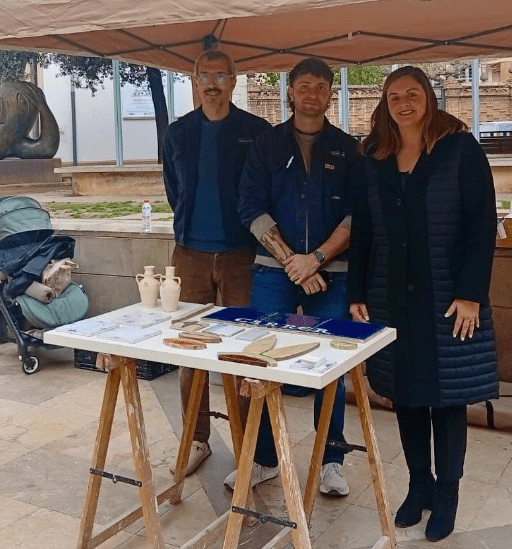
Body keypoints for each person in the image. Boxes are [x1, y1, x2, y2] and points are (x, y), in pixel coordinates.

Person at [347, 65, 499, 542]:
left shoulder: (460, 148)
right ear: (384, 105)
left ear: (429, 98)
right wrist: (355, 293)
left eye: (413, 94)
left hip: (450, 300)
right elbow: (364, 229)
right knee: (406, 397)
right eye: (395, 96)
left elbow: (481, 224)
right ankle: (420, 487)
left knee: (448, 400)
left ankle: (448, 495)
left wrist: (471, 293)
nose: (404, 103)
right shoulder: (373, 157)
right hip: (390, 297)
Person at [237, 57, 359, 496]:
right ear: (290, 92)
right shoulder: (266, 145)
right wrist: (293, 260)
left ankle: (332, 461)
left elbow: (356, 215)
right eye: (304, 85)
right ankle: (264, 459)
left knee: (332, 368)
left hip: (334, 274)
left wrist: (318, 259)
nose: (312, 93)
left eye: (321, 86)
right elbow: (249, 205)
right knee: (261, 363)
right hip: (274, 272)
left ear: (330, 94)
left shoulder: (348, 148)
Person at [163, 49, 271, 475]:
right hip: (189, 255)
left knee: (243, 351)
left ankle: (248, 448)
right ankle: (196, 439)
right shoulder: (178, 134)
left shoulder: (255, 131)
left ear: (234, 81)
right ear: (194, 81)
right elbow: (175, 190)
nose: (212, 83)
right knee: (189, 350)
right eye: (204, 75)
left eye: (220, 76)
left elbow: (260, 192)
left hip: (242, 256)